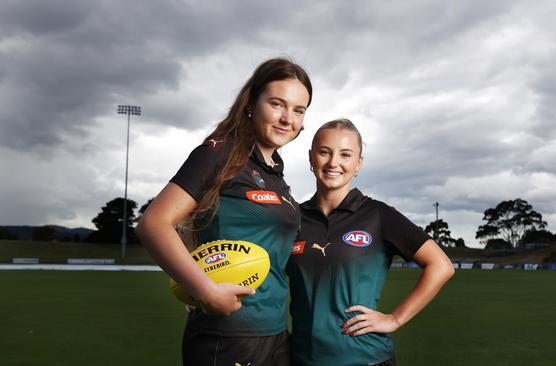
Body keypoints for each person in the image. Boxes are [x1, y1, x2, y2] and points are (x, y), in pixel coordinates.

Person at [136, 57, 312, 366]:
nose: (288, 118)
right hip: (227, 337)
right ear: (251, 103)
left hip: (275, 334)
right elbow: (154, 223)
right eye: (277, 104)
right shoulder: (221, 152)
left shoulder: (277, 177)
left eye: (298, 110)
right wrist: (203, 289)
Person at [287, 119, 455, 366]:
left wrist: (394, 319)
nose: (334, 162)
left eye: (345, 155)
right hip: (301, 359)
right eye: (325, 152)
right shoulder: (292, 217)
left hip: (365, 358)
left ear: (358, 163)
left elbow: (441, 266)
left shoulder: (377, 215)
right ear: (312, 158)